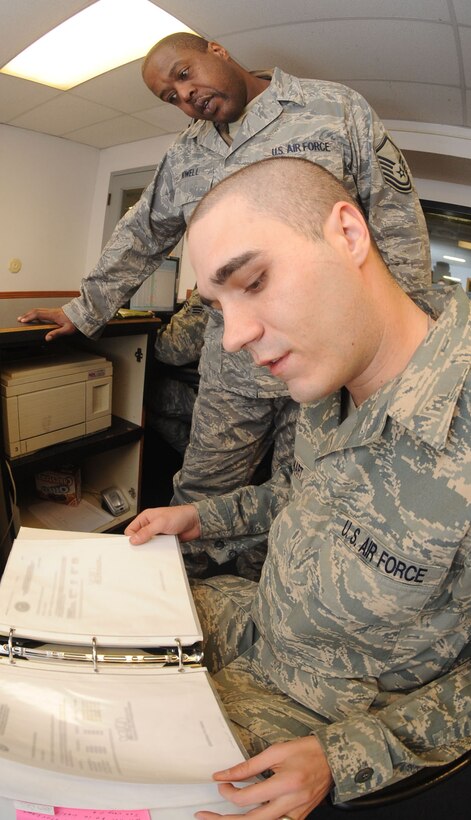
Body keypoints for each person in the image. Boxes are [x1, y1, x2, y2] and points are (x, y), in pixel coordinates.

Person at [125, 158, 470, 820]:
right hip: (254, 623)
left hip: (324, 712)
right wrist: (203, 518)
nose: (233, 338)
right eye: (218, 307)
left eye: (253, 282)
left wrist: (345, 756)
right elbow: (302, 493)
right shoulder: (329, 370)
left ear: (346, 233)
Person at [18, 32, 431, 578]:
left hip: (328, 363)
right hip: (234, 366)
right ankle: (173, 608)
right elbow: (142, 234)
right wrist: (83, 308)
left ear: (217, 49)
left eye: (185, 74)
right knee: (199, 492)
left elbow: (394, 220)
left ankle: (262, 607)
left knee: (301, 506)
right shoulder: (188, 154)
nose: (186, 97)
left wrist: (408, 353)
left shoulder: (331, 109)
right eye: (171, 96)